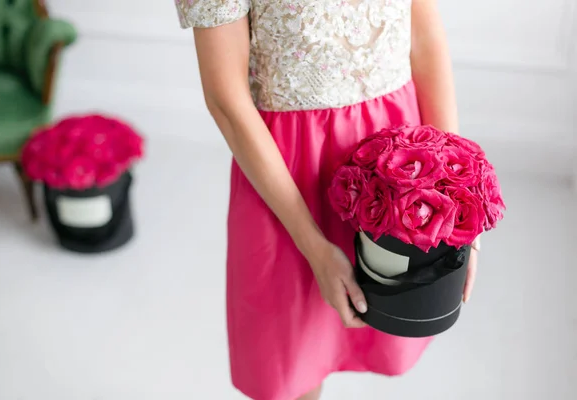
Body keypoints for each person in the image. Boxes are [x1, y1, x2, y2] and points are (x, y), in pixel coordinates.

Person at [174, 0, 480, 399]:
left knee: (384, 313)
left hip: (399, 169)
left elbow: (424, 42)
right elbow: (226, 99)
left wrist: (451, 192)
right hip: (289, 178)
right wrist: (314, 246)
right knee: (294, 364)